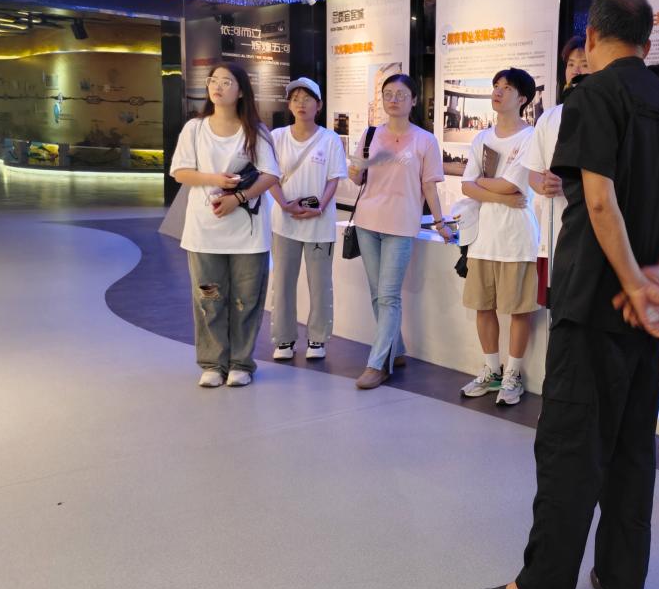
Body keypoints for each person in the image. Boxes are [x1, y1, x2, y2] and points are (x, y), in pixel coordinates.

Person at [464, 0, 659, 589]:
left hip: (594, 303)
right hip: (643, 314)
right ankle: (623, 584)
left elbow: (599, 201)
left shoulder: (593, 96)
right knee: (631, 448)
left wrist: (631, 281)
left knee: (571, 448)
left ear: (593, 38)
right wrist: (656, 278)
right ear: (647, 43)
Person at [170, 64, 281, 388]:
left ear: (241, 91)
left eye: (226, 82)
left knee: (246, 299)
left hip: (248, 233)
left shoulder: (255, 131)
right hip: (204, 231)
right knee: (209, 297)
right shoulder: (195, 128)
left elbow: (271, 175)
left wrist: (239, 197)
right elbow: (180, 172)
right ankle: (212, 363)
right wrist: (215, 179)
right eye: (213, 81)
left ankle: (241, 363)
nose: (217, 86)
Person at [350, 74, 453, 390]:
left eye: (401, 94)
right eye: (388, 94)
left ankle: (377, 364)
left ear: (414, 100)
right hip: (367, 222)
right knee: (377, 294)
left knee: (388, 295)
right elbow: (357, 178)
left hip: (401, 224)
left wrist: (440, 223)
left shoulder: (425, 140)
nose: (393, 100)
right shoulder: (370, 134)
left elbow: (429, 187)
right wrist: (357, 168)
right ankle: (395, 350)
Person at [458, 68, 540, 407]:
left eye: (507, 88)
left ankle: (513, 374)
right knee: (484, 305)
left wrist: (484, 184)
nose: (498, 91)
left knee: (519, 309)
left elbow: (513, 184)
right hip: (483, 237)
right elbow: (466, 186)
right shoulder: (482, 138)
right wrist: (501, 196)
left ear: (522, 98)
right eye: (495, 86)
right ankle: (492, 370)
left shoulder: (531, 136)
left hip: (517, 238)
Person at [267, 78, 349, 361]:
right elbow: (269, 176)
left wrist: (320, 207)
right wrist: (284, 204)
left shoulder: (330, 139)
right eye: (295, 99)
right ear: (289, 105)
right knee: (282, 282)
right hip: (284, 222)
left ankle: (317, 339)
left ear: (319, 105)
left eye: (307, 98)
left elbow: (334, 178)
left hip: (319, 223)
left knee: (320, 283)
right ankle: (284, 339)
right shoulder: (277, 137)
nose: (300, 104)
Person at [522, 40, 588, 308]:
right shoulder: (548, 118)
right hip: (553, 234)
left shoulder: (607, 116)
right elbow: (534, 174)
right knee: (557, 312)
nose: (576, 70)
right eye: (571, 64)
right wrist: (543, 185)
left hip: (590, 236)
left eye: (584, 64)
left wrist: (571, 185)